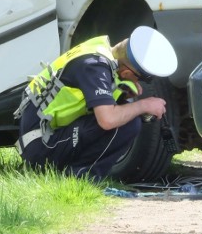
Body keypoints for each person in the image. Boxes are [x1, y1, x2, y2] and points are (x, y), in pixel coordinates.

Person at [14, 26, 177, 180]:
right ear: (127, 72)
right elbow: (107, 120)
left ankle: (77, 173)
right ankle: (81, 177)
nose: (140, 83)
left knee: (125, 115)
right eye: (141, 78)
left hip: (45, 134)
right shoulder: (94, 67)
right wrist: (143, 105)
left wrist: (122, 92)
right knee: (127, 124)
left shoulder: (100, 51)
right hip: (40, 146)